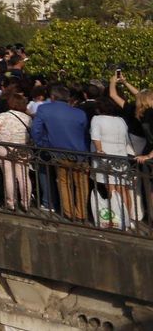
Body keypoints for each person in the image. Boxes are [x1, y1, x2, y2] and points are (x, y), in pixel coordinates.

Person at [31, 84, 91, 221]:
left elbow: (36, 131)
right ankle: (81, 213)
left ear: (52, 96)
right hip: (80, 153)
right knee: (81, 183)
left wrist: (43, 144)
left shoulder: (44, 109)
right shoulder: (79, 113)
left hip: (58, 152)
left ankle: (69, 212)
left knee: (63, 182)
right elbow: (85, 134)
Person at [90, 99, 138, 228]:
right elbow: (126, 139)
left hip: (106, 157)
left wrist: (99, 150)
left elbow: (95, 137)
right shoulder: (121, 120)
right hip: (121, 156)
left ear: (99, 109)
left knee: (111, 188)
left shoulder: (97, 119)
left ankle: (118, 219)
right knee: (123, 189)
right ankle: (128, 220)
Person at [0, 92, 34, 211]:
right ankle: (26, 202)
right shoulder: (27, 118)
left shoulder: (3, 116)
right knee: (23, 175)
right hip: (22, 148)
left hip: (4, 148)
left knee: (8, 175)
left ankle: (11, 202)